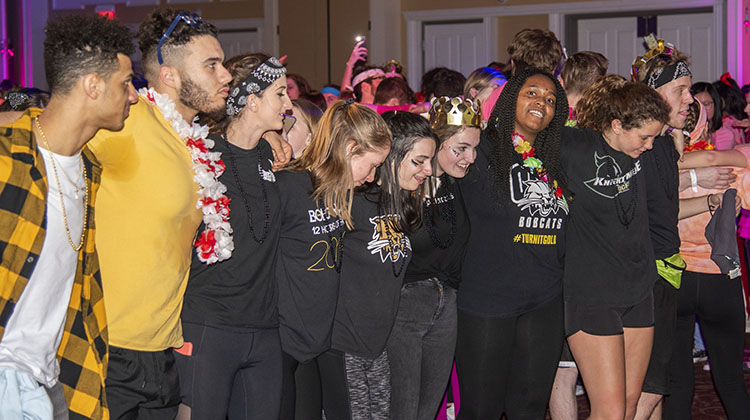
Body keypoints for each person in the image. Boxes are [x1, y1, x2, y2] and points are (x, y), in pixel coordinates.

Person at [86, 9, 234, 419]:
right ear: (169, 75)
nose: (226, 76)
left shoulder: (194, 142)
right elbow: (53, 135)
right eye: (212, 65)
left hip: (163, 350)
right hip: (109, 349)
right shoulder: (128, 120)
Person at [0, 14, 136, 419]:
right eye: (126, 82)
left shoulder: (88, 170)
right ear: (92, 85)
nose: (133, 95)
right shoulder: (8, 159)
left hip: (54, 378)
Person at [172, 53, 290, 420]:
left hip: (266, 327)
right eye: (281, 94)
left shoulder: (272, 156)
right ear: (252, 101)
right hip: (210, 323)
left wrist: (273, 135)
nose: (289, 104)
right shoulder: (201, 155)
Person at [456, 68, 570, 419]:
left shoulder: (559, 157)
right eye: (532, 93)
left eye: (551, 99)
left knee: (530, 408)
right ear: (510, 100)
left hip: (546, 300)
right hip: (488, 299)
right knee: (481, 410)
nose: (542, 103)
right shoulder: (481, 150)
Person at [277, 99, 392, 420]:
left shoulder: (340, 193)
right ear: (350, 148)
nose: (372, 177)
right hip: (281, 344)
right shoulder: (287, 186)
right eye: (370, 165)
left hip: (316, 345)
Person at [565, 75, 671, 420]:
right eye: (644, 137)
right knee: (609, 411)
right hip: (591, 295)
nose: (650, 145)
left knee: (628, 406)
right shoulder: (574, 146)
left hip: (639, 290)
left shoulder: (643, 154)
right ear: (615, 125)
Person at [318, 110, 435, 420]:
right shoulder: (350, 199)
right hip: (343, 346)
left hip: (377, 346)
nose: (429, 170)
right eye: (419, 161)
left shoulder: (401, 203)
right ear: (393, 156)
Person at [386, 96, 481, 420]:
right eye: (461, 149)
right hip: (405, 306)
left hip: (447, 303)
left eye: (474, 148)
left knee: (428, 410)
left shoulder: (456, 183)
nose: (471, 158)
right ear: (437, 143)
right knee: (403, 409)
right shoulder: (398, 186)